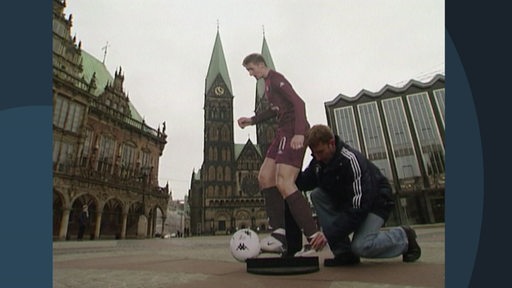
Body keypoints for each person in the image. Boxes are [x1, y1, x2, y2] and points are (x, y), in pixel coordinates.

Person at [237, 53, 327, 256]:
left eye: (251, 69)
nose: (250, 74)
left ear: (261, 65)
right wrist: (252, 120)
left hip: (292, 130)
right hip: (282, 131)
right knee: (264, 177)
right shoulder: (268, 84)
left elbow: (299, 103)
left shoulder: (277, 79)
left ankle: (314, 237)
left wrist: (298, 133)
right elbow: (274, 110)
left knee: (284, 182)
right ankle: (279, 235)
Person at [296, 124, 421, 266]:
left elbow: (358, 208)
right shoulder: (318, 162)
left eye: (320, 152)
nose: (317, 157)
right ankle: (343, 253)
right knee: (318, 195)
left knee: (361, 246)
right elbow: (303, 183)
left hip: (375, 203)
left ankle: (404, 236)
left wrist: (328, 234)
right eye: (314, 154)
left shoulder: (351, 161)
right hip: (349, 203)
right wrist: (290, 164)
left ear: (331, 143)